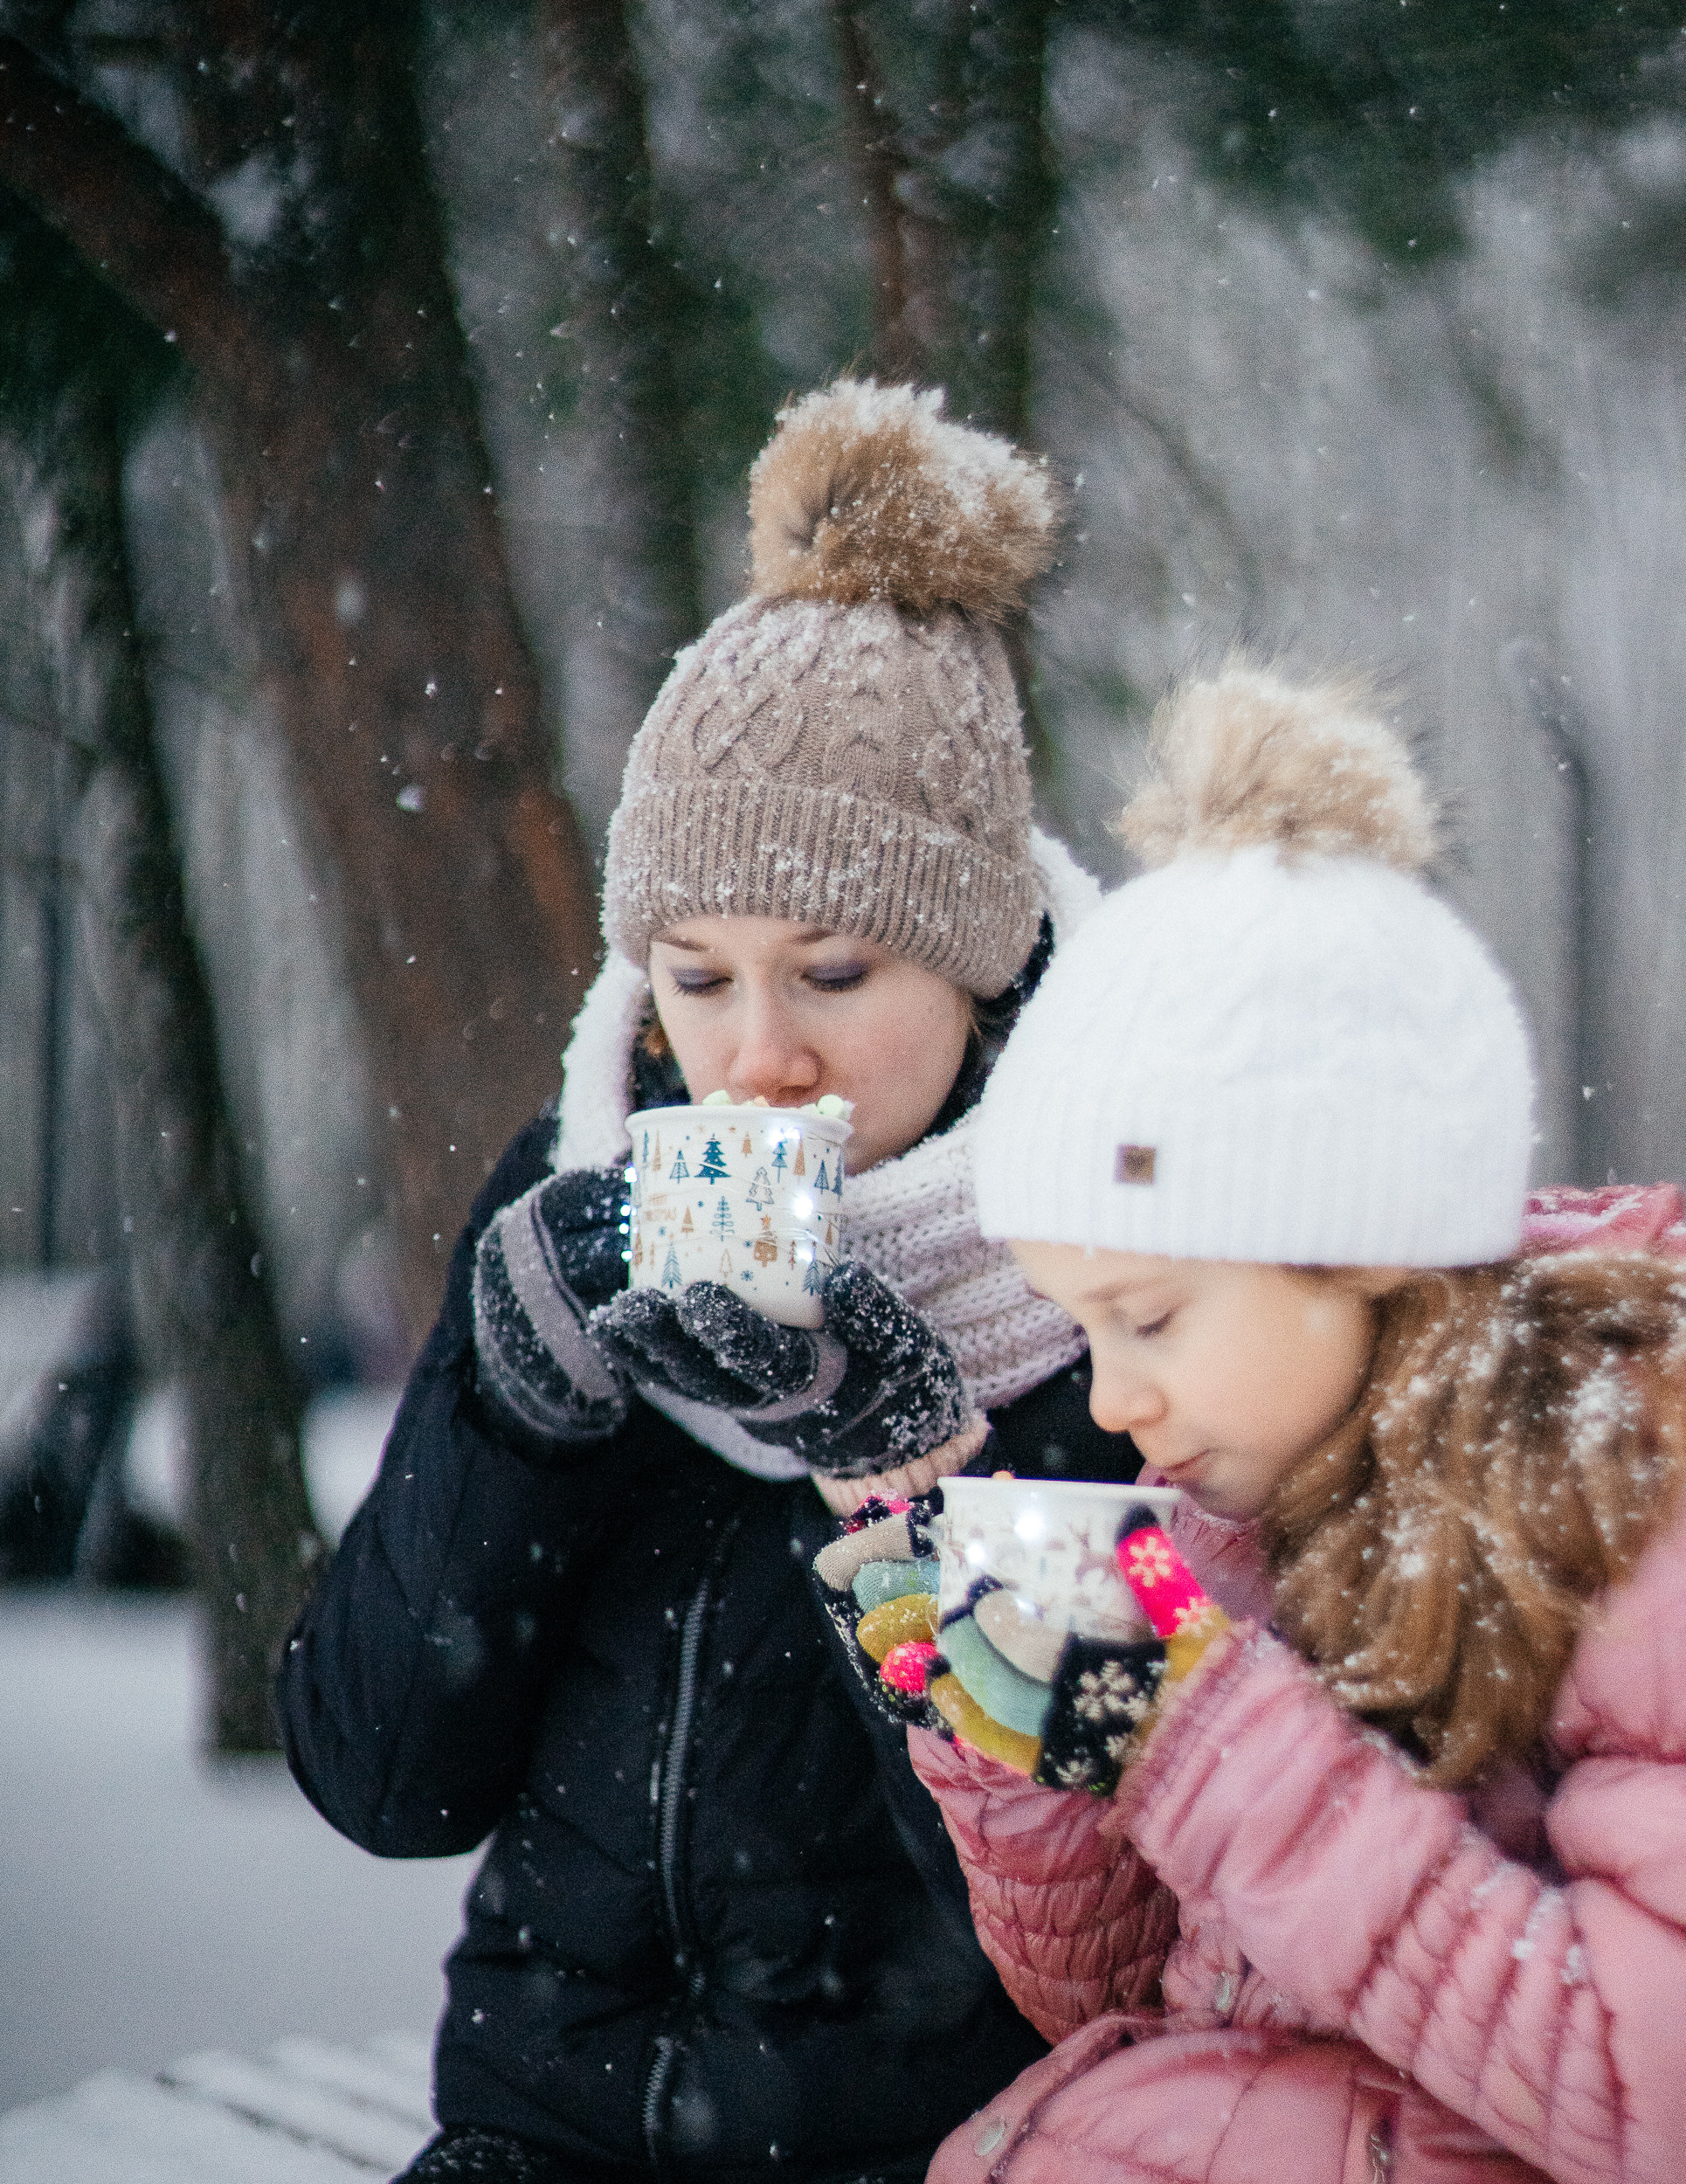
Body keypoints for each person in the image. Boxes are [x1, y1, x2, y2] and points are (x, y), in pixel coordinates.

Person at [275, 379, 1145, 2184]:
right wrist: (517, 1403)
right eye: (695, 972)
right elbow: (379, 1778)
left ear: (978, 964)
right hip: (538, 2130)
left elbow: (1110, 1920)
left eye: (832, 970)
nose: (753, 1058)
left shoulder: (1104, 1258)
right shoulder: (577, 1185)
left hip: (941, 2147)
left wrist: (907, 1476)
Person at [876, 664, 1686, 2182]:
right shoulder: (1262, 1505)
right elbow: (1152, 2018)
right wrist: (1033, 1744)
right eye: (1085, 1328)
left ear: (1364, 1243)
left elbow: (1642, 2098)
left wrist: (1201, 1736)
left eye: (1155, 1316)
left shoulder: (1633, 1495)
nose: (1113, 1401)